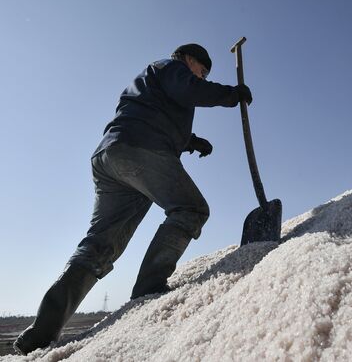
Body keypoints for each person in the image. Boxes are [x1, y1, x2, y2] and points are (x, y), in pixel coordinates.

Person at [14, 43, 252, 355]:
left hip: (112, 155)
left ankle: (40, 334)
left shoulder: (152, 81)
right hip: (139, 148)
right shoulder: (171, 67)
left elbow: (154, 116)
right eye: (203, 71)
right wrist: (230, 95)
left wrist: (192, 141)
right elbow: (189, 90)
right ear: (190, 59)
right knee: (190, 209)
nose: (202, 77)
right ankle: (149, 288)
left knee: (98, 248)